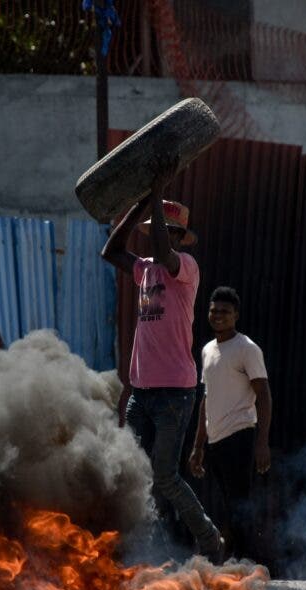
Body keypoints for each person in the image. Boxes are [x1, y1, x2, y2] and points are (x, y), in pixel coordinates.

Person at [100, 169, 222, 561]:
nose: (159, 237)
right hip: (143, 392)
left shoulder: (183, 266)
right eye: (158, 230)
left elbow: (165, 252)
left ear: (178, 237)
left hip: (175, 392)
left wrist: (154, 195)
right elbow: (111, 251)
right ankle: (141, 551)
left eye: (167, 230)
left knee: (165, 475)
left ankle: (207, 538)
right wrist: (140, 205)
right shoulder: (145, 269)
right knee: (132, 474)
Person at [188, 286, 272, 561]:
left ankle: (249, 566)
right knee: (225, 507)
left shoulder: (246, 349)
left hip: (240, 436)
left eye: (225, 311)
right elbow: (206, 399)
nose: (218, 316)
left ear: (236, 315)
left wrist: (262, 442)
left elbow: (264, 395)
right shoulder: (207, 350)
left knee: (239, 506)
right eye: (214, 311)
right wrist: (198, 445)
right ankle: (235, 564)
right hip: (215, 441)